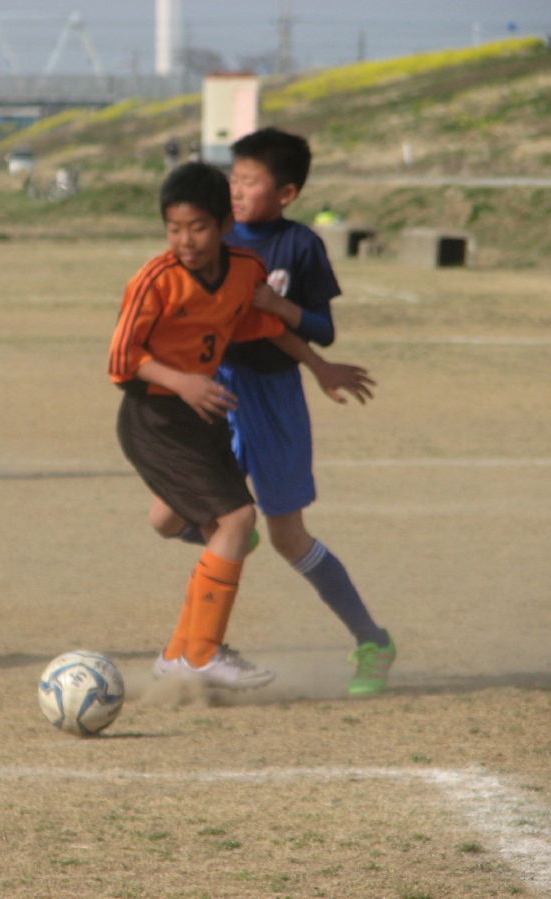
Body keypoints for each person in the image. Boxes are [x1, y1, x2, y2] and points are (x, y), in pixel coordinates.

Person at [110, 162, 373, 690]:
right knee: (236, 521)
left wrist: (319, 367)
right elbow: (121, 361)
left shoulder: (245, 270)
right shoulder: (156, 280)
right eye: (174, 228)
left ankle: (178, 655)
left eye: (198, 227)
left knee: (206, 526)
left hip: (203, 415)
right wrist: (182, 382)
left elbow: (265, 327)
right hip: (155, 417)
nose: (185, 241)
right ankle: (203, 654)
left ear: (225, 224)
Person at [222, 127, 395, 695]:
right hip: (217, 388)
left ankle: (372, 640)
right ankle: (205, 641)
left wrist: (282, 307)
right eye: (233, 179)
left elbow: (322, 327)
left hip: (275, 396)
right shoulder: (216, 237)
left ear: (286, 193)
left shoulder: (300, 245)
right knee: (173, 516)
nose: (236, 190)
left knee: (287, 537)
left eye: (250, 181)